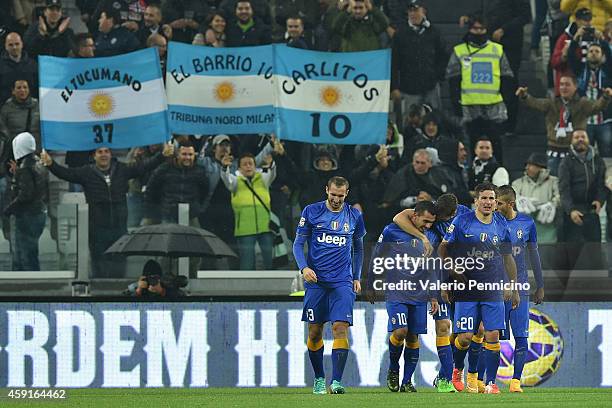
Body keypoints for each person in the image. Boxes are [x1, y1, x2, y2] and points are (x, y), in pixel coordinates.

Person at [40, 143, 174, 278]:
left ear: (111, 154)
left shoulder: (122, 169)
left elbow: (143, 167)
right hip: (97, 231)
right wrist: (50, 163)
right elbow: (66, 174)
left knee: (119, 267)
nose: (104, 154)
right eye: (100, 152)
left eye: (106, 151)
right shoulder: (86, 172)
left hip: (119, 230)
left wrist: (162, 155)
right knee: (99, 268)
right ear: (94, 156)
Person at [439, 182, 519, 394]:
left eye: (491, 198)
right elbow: (443, 248)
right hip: (466, 287)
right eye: (483, 198)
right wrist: (453, 271)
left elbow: (508, 257)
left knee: (492, 335)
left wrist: (513, 285)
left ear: (495, 202)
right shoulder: (462, 221)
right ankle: (457, 369)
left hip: (492, 286)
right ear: (476, 201)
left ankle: (491, 383)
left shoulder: (501, 224)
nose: (488, 202)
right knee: (464, 337)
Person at [293, 176, 366, 394]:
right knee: (315, 332)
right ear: (326, 190)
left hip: (342, 281)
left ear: (347, 194)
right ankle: (318, 378)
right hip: (316, 281)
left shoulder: (354, 215)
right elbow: (298, 244)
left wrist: (357, 276)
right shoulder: (311, 211)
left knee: (340, 328)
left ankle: (336, 382)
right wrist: (304, 268)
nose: (336, 199)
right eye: (333, 194)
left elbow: (359, 248)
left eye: (340, 196)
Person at [392, 193, 471, 392]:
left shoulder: (466, 215)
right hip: (441, 277)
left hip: (463, 277)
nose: (437, 221)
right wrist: (422, 238)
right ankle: (445, 380)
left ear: (454, 211)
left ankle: (446, 374)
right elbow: (398, 217)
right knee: (443, 326)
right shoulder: (432, 217)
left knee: (465, 333)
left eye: (443, 218)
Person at [368, 201, 444, 392]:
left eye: (430, 223)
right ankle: (394, 369)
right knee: (400, 331)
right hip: (396, 290)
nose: (427, 226)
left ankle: (407, 381)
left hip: (420, 293)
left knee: (412, 336)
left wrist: (433, 296)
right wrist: (371, 281)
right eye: (425, 221)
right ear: (414, 216)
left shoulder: (432, 236)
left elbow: (431, 267)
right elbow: (377, 255)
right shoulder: (392, 231)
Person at [495, 185, 545, 393]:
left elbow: (534, 255)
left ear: (510, 204)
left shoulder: (526, 223)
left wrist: (540, 285)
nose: (494, 207)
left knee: (521, 336)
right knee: (492, 335)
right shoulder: (490, 222)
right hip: (493, 287)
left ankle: (516, 381)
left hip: (520, 287)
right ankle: (485, 380)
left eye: (499, 203)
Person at [446, 15, 514, 158]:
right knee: (471, 145)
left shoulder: (497, 50)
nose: (478, 32)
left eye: (482, 29)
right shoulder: (459, 51)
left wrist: (506, 99)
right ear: (469, 29)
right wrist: (455, 102)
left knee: (495, 145)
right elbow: (453, 79)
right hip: (470, 106)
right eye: (475, 28)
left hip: (493, 106)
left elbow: (507, 76)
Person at [516, 75, 612, 175]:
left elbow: (596, 107)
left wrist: (605, 97)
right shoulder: (551, 103)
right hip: (553, 152)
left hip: (574, 152)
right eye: (561, 84)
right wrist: (524, 96)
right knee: (554, 181)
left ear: (575, 86)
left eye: (567, 84)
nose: (563, 87)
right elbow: (535, 103)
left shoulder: (582, 103)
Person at [558, 129, 607, 270]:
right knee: (571, 253)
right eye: (576, 137)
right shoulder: (566, 162)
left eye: (583, 136)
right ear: (571, 141)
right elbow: (564, 189)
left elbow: (601, 185)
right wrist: (571, 210)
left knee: (594, 251)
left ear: (588, 139)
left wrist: (599, 200)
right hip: (572, 212)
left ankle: (597, 284)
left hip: (591, 211)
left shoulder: (597, 160)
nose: (580, 139)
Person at [220, 151, 276, 270]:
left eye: (250, 163)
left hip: (265, 227)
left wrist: (271, 164)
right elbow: (226, 178)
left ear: (255, 166)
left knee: (270, 261)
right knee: (247, 263)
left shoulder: (263, 180)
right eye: (244, 164)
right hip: (245, 229)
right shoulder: (235, 182)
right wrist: (225, 167)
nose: (248, 166)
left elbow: (272, 173)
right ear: (239, 168)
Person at [391, 0, 449, 112]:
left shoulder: (434, 32)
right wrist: (394, 87)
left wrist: (438, 76)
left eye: (416, 10)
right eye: (410, 11)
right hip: (408, 88)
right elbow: (394, 62)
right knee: (409, 121)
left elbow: (443, 56)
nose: (413, 14)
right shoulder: (400, 34)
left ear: (424, 12)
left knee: (434, 119)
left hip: (431, 87)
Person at [3, 132, 46, 271]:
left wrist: (8, 210)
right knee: (31, 253)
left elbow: (25, 195)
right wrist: (17, 174)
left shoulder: (25, 168)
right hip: (38, 213)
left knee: (24, 255)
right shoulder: (38, 162)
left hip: (27, 216)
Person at [145, 142, 208, 224]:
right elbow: (151, 189)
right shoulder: (164, 168)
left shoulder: (200, 171)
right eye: (184, 154)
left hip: (191, 215)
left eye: (190, 154)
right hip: (168, 214)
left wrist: (198, 208)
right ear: (178, 155)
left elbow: (205, 191)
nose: (187, 157)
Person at [512, 152, 560, 244]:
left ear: (540, 167)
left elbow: (560, 196)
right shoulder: (518, 183)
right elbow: (511, 194)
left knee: (546, 255)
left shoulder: (554, 181)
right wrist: (518, 199)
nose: (527, 168)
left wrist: (553, 204)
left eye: (530, 165)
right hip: (524, 229)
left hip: (547, 229)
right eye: (527, 165)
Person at [0, 32, 38, 106]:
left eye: (17, 44)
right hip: (5, 109)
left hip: (29, 108)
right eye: (10, 45)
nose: (14, 47)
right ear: (5, 46)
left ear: (22, 44)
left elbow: (36, 89)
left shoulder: (33, 65)